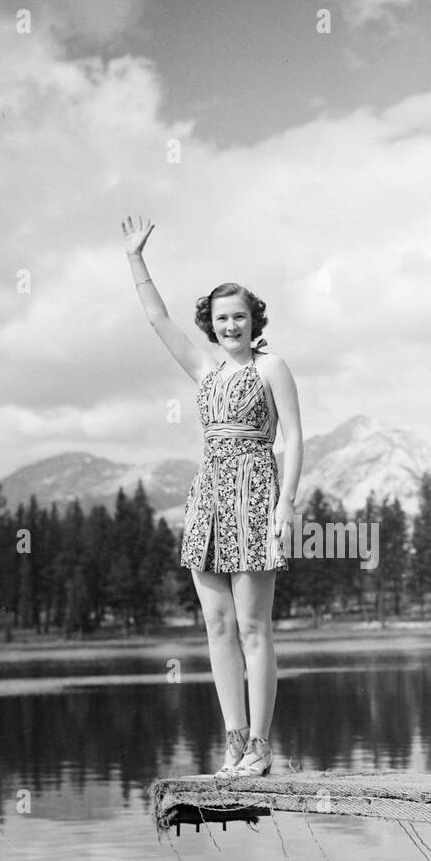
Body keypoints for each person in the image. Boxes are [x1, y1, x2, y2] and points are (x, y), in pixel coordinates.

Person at [121, 214, 303, 776]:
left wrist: (286, 503)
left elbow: (293, 436)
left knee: (254, 626)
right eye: (222, 318)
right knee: (217, 626)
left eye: (240, 317)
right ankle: (232, 741)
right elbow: (156, 318)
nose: (231, 326)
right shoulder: (204, 369)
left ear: (254, 322)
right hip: (208, 498)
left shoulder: (272, 367)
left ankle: (261, 749)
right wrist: (136, 258)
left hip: (255, 492)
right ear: (212, 323)